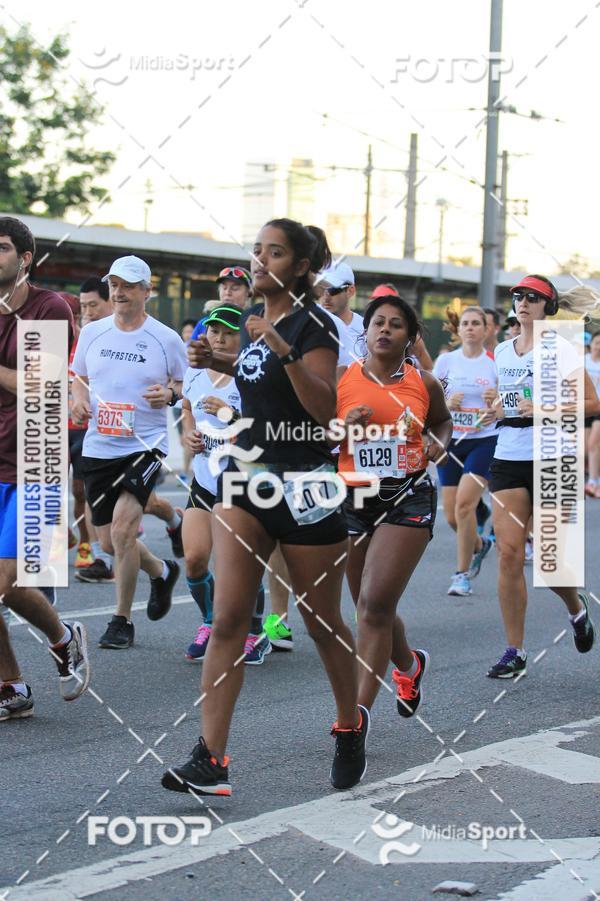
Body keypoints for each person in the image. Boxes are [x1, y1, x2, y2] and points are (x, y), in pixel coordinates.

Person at [162, 218, 368, 797]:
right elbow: (261, 390)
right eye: (257, 250)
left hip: (306, 484)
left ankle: (349, 725)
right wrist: (223, 362)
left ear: (301, 267)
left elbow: (323, 407)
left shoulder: (314, 325)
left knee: (322, 623)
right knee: (229, 619)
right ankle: (212, 759)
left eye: (273, 253)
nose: (259, 261)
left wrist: (281, 350)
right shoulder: (260, 326)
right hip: (248, 478)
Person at [337, 294, 452, 719]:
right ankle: (409, 664)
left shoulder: (424, 382)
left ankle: (355, 719)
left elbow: (441, 421)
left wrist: (436, 443)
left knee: (374, 606)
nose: (385, 329)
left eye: (396, 324)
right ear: (365, 333)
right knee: (369, 606)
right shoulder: (341, 379)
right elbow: (317, 434)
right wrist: (339, 428)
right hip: (353, 499)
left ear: (410, 337)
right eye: (378, 323)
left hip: (408, 495)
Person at [70, 255, 188, 649]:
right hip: (100, 444)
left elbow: (184, 385)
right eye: (114, 285)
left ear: (146, 291)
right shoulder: (93, 333)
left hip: (144, 445)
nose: (118, 292)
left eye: (128, 286)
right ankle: (161, 571)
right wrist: (78, 400)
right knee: (106, 542)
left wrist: (169, 394)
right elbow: (79, 377)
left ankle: (121, 620)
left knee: (122, 531)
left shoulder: (166, 338)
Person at [487, 275, 600, 678]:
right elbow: (510, 397)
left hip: (554, 456)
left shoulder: (562, 348)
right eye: (518, 296)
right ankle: (514, 650)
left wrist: (545, 409)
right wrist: (498, 408)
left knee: (552, 561)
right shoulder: (502, 350)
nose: (523, 302)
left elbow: (591, 402)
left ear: (548, 307)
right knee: (509, 553)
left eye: (533, 297)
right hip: (509, 454)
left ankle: (576, 608)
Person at [0, 216, 90, 719]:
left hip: (37, 456)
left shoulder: (49, 307)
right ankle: (11, 686)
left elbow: (41, 385)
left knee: (9, 582)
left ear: (26, 258)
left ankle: (61, 637)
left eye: (3, 247)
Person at [180, 304, 270, 665]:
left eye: (229, 332)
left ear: (243, 339)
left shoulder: (249, 376)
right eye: (215, 331)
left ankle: (255, 633)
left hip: (240, 479)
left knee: (242, 563)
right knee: (195, 559)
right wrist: (189, 434)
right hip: (204, 478)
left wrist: (229, 415)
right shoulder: (194, 372)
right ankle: (209, 622)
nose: (219, 337)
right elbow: (187, 408)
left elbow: (264, 430)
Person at [433, 307, 499, 596]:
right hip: (451, 441)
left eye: (477, 323)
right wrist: (448, 401)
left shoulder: (495, 363)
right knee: (451, 515)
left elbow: (514, 401)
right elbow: (429, 397)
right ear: (458, 330)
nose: (471, 328)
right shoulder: (447, 360)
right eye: (466, 324)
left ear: (487, 330)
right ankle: (481, 544)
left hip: (485, 440)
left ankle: (461, 575)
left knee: (463, 505)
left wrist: (495, 403)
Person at [62, 292, 94, 571]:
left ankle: (85, 540)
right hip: (54, 427)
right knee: (45, 488)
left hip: (83, 429)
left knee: (79, 491)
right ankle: (63, 533)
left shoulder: (87, 343)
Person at [370, 284, 433, 370]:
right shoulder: (366, 328)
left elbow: (428, 368)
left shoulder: (411, 338)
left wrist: (414, 380)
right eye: (375, 301)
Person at [189, 268, 253, 343]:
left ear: (249, 293)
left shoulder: (255, 322)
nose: (227, 292)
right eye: (224, 288)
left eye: (235, 288)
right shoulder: (205, 322)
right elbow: (190, 351)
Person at [585, 331, 600, 498]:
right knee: (585, 447)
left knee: (594, 442)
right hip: (585, 406)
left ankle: (594, 482)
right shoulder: (584, 361)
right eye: (597, 342)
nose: (599, 346)